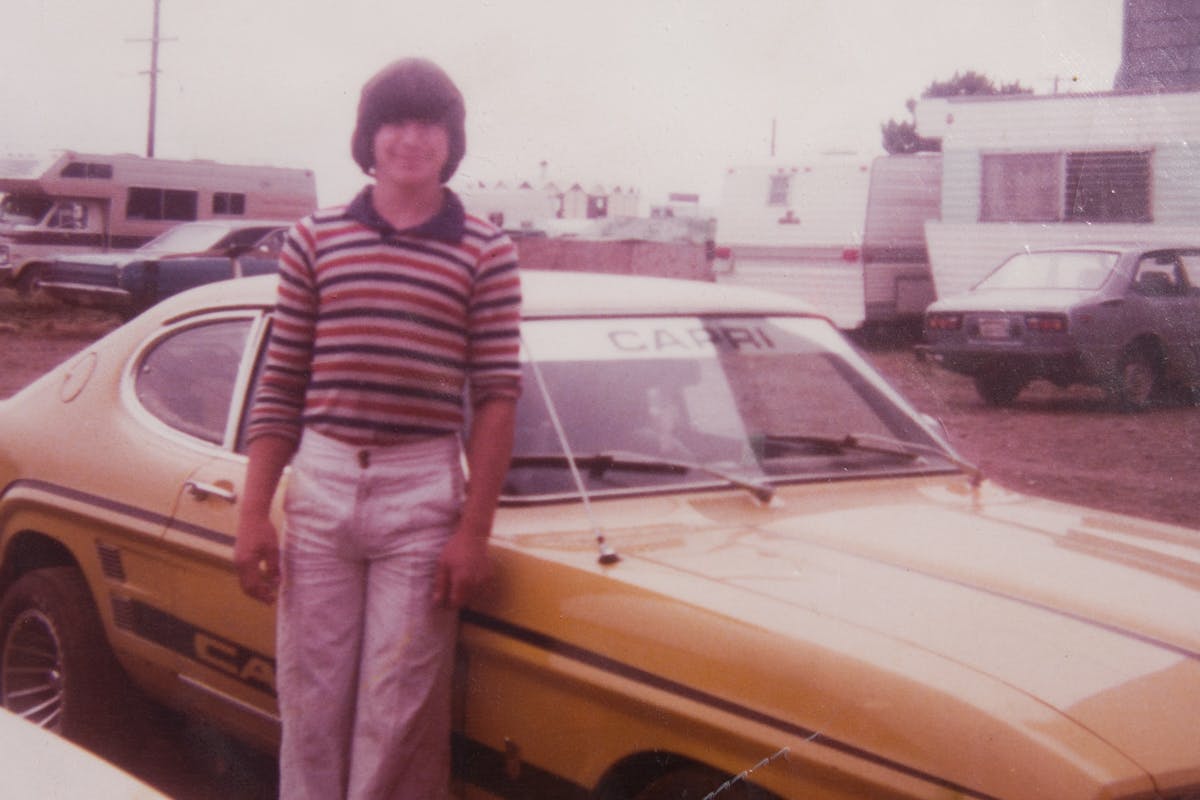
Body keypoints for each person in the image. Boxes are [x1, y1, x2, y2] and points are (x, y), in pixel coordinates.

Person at [233, 57, 522, 799]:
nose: (411, 139)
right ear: (369, 137)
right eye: (395, 121)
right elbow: (283, 381)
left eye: (429, 123)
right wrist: (252, 514)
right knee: (311, 705)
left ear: (452, 140)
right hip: (322, 484)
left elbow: (494, 395)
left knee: (398, 717)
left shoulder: (486, 250)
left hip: (421, 494)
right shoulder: (314, 239)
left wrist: (474, 532)